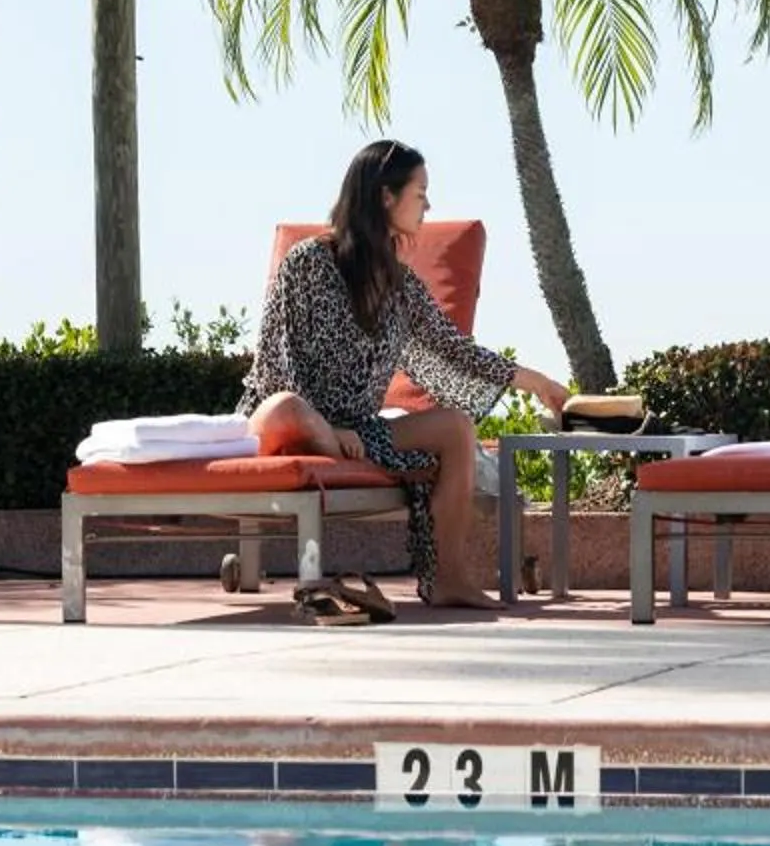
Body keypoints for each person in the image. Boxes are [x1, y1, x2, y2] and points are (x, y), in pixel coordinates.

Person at [240, 138, 567, 610]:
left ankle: (449, 577)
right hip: (289, 420)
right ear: (385, 197)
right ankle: (323, 433)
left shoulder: (398, 284)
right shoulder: (309, 262)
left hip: (359, 432)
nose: (428, 205)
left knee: (455, 426)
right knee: (289, 409)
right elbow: (278, 359)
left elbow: (453, 350)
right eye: (420, 193)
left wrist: (539, 383)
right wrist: (328, 427)